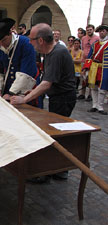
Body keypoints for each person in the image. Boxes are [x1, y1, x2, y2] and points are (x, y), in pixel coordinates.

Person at [11, 23, 76, 180]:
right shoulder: (50, 52)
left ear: (40, 40)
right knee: (55, 134)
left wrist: (24, 99)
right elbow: (45, 79)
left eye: (31, 40)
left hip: (63, 99)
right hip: (58, 98)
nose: (30, 43)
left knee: (56, 135)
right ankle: (56, 169)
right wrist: (32, 91)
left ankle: (55, 169)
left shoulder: (57, 53)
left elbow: (47, 84)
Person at [0, 18, 37, 101]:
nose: (2, 44)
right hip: (7, 90)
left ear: (10, 33)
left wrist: (11, 93)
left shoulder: (26, 44)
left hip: (26, 90)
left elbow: (27, 72)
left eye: (4, 40)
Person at [82, 24, 108, 115]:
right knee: (94, 87)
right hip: (94, 67)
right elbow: (89, 57)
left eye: (103, 31)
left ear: (106, 32)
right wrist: (86, 68)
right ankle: (94, 105)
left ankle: (100, 107)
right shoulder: (95, 44)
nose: (101, 33)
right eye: (100, 31)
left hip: (104, 69)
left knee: (102, 89)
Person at [78, 24, 99, 101]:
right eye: (87, 30)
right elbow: (83, 48)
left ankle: (90, 94)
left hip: (92, 60)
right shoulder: (84, 38)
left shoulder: (97, 38)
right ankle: (82, 93)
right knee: (83, 77)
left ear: (93, 30)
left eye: (90, 30)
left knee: (90, 77)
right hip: (84, 59)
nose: (89, 31)